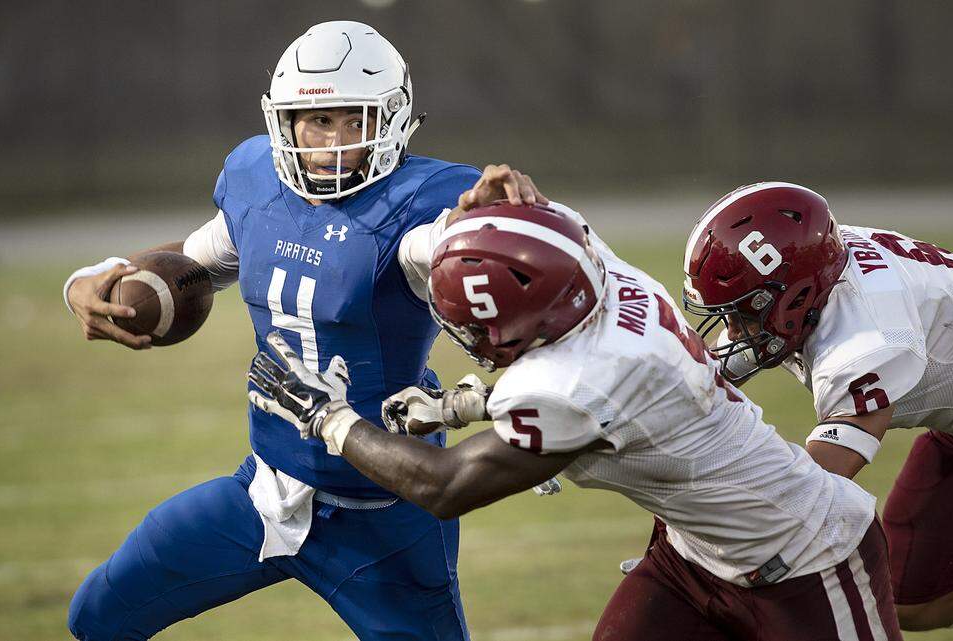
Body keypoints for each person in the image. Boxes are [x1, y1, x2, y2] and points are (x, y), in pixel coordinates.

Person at [61, 21, 542, 640]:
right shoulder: (258, 182)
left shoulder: (420, 205)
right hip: (263, 491)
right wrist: (92, 277)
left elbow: (445, 245)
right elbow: (200, 260)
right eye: (318, 122)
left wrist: (479, 229)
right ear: (284, 122)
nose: (335, 142)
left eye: (354, 120)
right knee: (96, 616)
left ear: (392, 119)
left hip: (387, 519)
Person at [245, 194, 904, 641]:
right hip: (694, 555)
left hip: (809, 557)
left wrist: (329, 418)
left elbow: (443, 485)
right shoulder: (596, 267)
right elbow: (542, 251)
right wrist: (457, 405)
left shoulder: (581, 383)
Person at [681, 182, 953, 638]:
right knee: (913, 596)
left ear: (798, 294)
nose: (735, 329)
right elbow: (714, 367)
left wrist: (704, 548)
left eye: (747, 311)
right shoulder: (819, 263)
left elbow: (813, 488)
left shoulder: (869, 336)